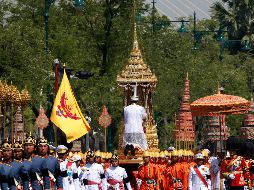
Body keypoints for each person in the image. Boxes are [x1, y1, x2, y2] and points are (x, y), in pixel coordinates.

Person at [123, 86, 148, 155]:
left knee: (129, 141)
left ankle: (129, 147)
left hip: (128, 129)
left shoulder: (126, 108)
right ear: (137, 100)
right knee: (140, 144)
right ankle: (133, 148)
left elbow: (125, 119)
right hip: (138, 129)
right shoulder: (141, 108)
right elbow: (145, 117)